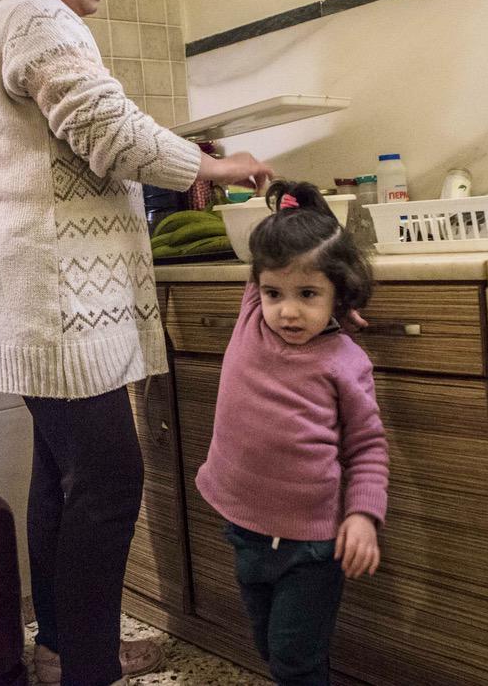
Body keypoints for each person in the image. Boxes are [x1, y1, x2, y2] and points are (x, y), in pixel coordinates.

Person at [0, 0, 273, 686]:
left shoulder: (1, 26)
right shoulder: (40, 21)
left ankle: (64, 651)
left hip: (34, 294)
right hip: (58, 300)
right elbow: (108, 129)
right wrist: (211, 163)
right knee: (108, 479)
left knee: (62, 477)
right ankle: (89, 672)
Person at [195, 181, 389, 686]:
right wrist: (292, 203)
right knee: (267, 643)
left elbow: (367, 446)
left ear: (338, 293)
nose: (287, 311)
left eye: (308, 295)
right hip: (244, 526)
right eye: (274, 294)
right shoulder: (251, 319)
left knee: (293, 659)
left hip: (311, 544)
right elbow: (270, 259)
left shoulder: (345, 362)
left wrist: (364, 515)